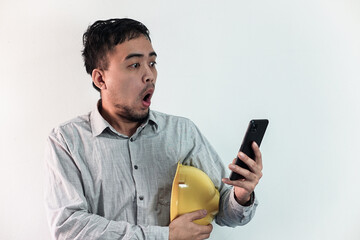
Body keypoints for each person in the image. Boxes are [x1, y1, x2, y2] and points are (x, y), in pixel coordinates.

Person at [44, 18, 263, 240]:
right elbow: (69, 227)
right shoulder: (67, 141)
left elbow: (223, 209)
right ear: (101, 78)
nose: (149, 75)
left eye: (152, 63)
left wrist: (241, 195)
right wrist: (164, 236)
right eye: (134, 65)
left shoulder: (182, 133)